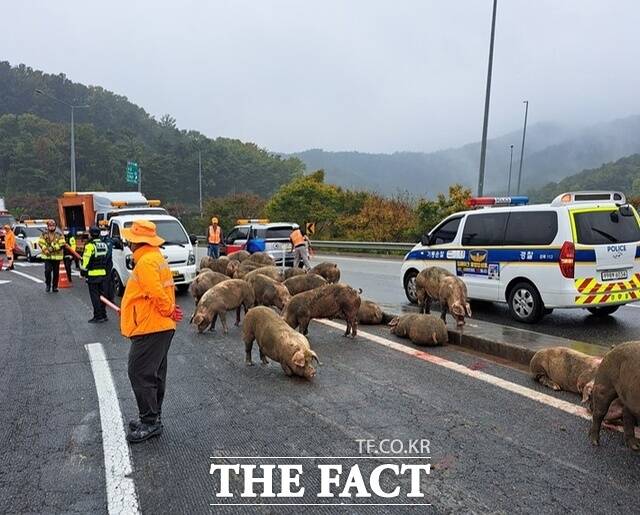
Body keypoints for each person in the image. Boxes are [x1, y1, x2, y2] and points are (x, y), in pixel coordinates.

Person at [120, 220, 183, 443]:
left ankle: (149, 422)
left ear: (137, 242)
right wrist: (169, 312)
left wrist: (168, 310)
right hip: (159, 326)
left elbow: (156, 292)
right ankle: (152, 417)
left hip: (151, 326)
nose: (128, 243)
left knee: (140, 372)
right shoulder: (156, 258)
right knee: (154, 373)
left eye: (130, 240)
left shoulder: (146, 262)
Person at [81, 226, 109, 323]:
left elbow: (86, 260)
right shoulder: (104, 244)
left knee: (95, 297)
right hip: (103, 274)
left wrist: (83, 271)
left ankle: (98, 316)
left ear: (91, 234)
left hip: (92, 275)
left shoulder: (90, 246)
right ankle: (104, 314)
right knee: (102, 296)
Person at [38, 220, 65, 292]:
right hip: (47, 256)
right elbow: (41, 243)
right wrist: (45, 249)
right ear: (48, 227)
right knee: (48, 270)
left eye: (53, 226)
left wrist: (52, 248)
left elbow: (62, 244)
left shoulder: (59, 235)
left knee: (56, 272)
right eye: (50, 226)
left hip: (56, 257)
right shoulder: (44, 234)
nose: (52, 227)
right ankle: (48, 284)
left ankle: (55, 286)